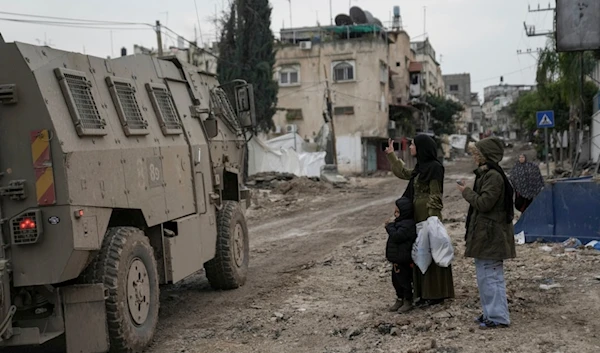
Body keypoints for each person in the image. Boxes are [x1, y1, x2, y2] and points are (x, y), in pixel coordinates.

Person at [385, 135, 455, 307]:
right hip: (417, 215)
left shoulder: (435, 168)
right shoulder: (420, 167)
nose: (410, 147)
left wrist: (432, 219)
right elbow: (405, 173)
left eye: (413, 144)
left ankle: (436, 293)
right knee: (419, 252)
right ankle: (422, 292)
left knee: (432, 251)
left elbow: (435, 194)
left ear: (422, 147)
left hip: (427, 217)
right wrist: (392, 155)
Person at [457, 137, 516, 330]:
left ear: (486, 156)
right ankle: (490, 313)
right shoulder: (487, 174)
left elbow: (484, 203)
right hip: (486, 234)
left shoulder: (493, 176)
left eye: (476, 154)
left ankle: (498, 317)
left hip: (492, 235)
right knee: (485, 276)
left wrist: (466, 192)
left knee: (491, 276)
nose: (474, 158)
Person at [385, 197, 417, 313]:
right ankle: (400, 298)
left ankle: (408, 300)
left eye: (397, 211)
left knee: (404, 281)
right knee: (396, 280)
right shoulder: (400, 223)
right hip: (397, 259)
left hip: (403, 259)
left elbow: (397, 236)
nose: (395, 214)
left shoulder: (408, 225)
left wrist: (389, 227)